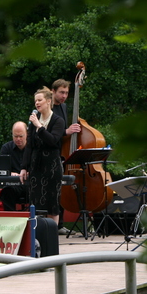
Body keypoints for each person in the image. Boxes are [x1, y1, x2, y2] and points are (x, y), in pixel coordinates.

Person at [20, 87, 66, 226]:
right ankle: (37, 236)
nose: (37, 103)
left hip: (51, 165)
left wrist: (39, 126)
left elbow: (53, 140)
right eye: (35, 101)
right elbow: (29, 146)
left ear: (48, 101)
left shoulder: (58, 121)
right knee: (36, 202)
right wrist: (24, 167)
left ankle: (52, 236)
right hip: (37, 165)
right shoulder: (34, 121)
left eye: (40, 100)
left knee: (52, 203)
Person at [51, 79, 82, 235]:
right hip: (50, 152)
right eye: (61, 92)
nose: (64, 96)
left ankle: (60, 224)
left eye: (66, 93)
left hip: (61, 152)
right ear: (53, 92)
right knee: (53, 189)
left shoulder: (63, 107)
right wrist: (66, 131)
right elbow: (50, 132)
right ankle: (51, 225)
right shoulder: (47, 108)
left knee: (61, 188)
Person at [0, 121, 28, 211]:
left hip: (30, 184)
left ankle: (37, 220)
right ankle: (10, 220)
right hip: (13, 185)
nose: (18, 139)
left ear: (27, 134)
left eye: (21, 136)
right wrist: (10, 174)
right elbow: (1, 169)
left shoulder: (34, 148)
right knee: (6, 192)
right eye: (15, 136)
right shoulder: (6, 148)